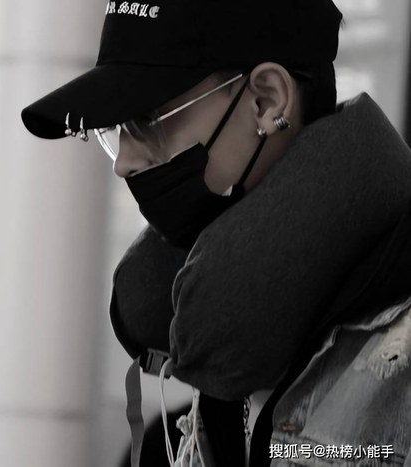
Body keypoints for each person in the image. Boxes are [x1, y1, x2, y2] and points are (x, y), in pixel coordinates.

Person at [20, 1, 411, 466]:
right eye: (116, 129)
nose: (123, 161)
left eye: (145, 121)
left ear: (266, 102)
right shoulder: (174, 432)